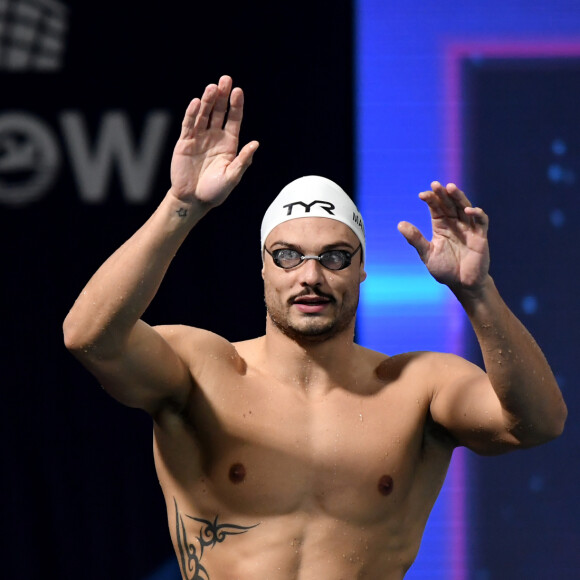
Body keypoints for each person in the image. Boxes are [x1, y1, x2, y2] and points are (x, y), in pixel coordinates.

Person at [63, 75, 567, 580]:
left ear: (362, 268)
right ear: (263, 269)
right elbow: (88, 336)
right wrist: (182, 207)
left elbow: (539, 424)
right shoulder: (202, 371)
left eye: (334, 256)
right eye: (287, 256)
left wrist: (477, 293)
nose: (310, 276)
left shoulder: (417, 388)